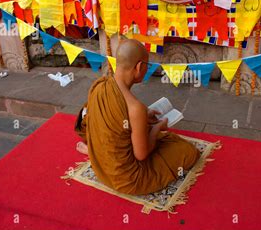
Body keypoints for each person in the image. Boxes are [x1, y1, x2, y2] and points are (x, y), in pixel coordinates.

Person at [74, 39, 200, 195]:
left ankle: (92, 154)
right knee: (187, 151)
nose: (146, 69)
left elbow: (103, 120)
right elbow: (141, 155)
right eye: (147, 65)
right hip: (128, 180)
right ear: (139, 67)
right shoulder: (135, 108)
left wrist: (144, 117)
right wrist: (156, 128)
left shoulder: (99, 85)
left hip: (102, 171)